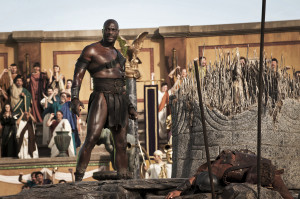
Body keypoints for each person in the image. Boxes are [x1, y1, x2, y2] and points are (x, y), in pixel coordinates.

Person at [70, 19, 137, 181]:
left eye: (114, 30)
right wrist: (74, 97)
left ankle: (123, 179)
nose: (110, 32)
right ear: (102, 30)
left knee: (121, 143)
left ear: (117, 32)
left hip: (119, 99)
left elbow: (123, 83)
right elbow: (78, 74)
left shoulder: (118, 54)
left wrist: (129, 106)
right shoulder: (91, 50)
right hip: (101, 96)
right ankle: (78, 178)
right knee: (92, 138)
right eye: (108, 29)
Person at [165, 149, 293, 199]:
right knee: (206, 181)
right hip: (226, 171)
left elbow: (287, 196)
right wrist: (179, 190)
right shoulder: (225, 168)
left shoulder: (271, 174)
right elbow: (198, 176)